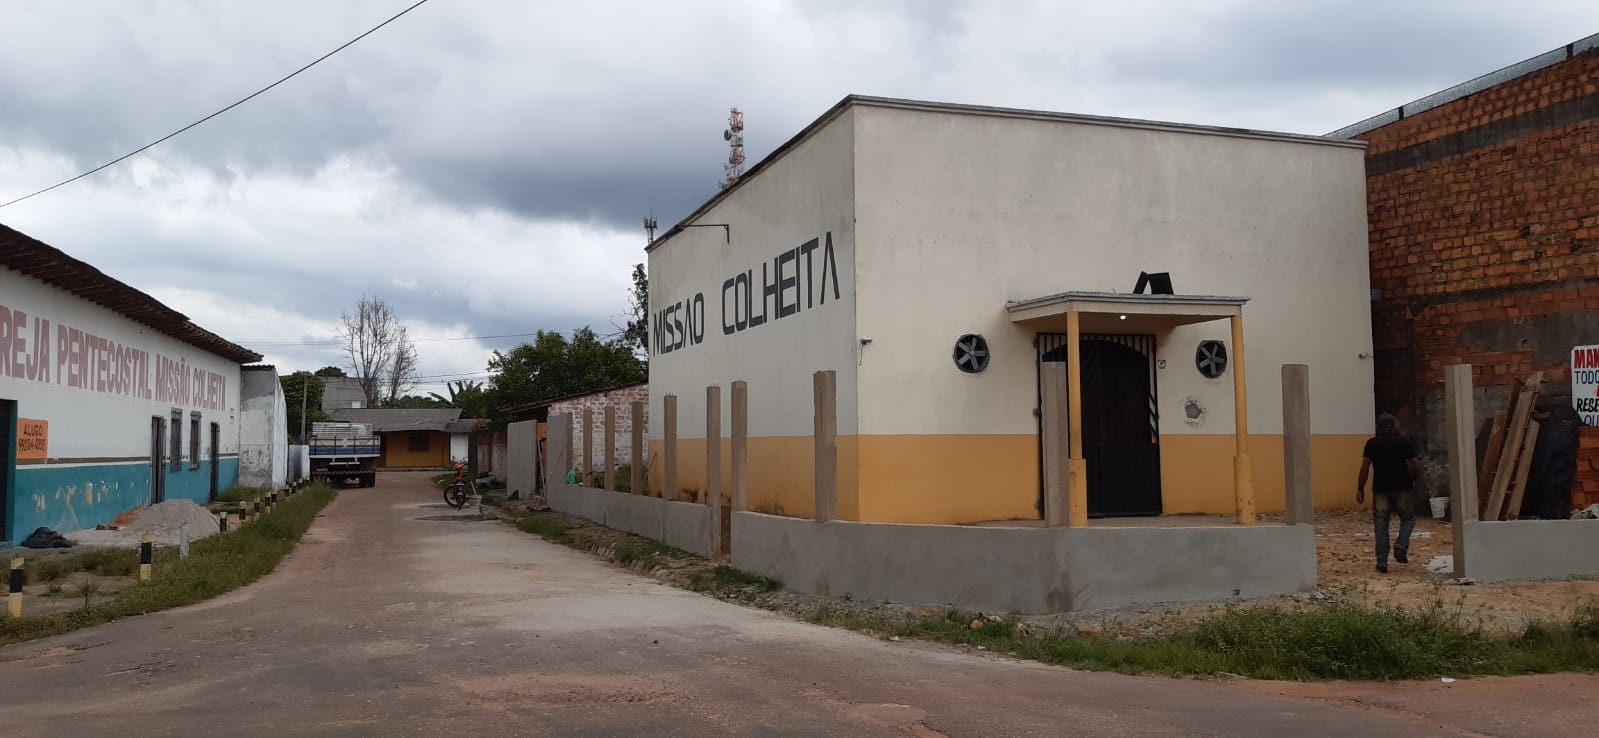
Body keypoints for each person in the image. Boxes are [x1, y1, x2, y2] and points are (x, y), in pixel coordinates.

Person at [1357, 413, 1421, 573]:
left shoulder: (1372, 444)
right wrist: (1412, 480)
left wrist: (1360, 488)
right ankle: (1401, 544)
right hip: (1402, 488)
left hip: (1380, 490)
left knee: (1381, 525)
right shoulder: (1404, 443)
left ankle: (1382, 561)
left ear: (1378, 428)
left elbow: (1365, 467)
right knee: (1407, 519)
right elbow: (1415, 465)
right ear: (1393, 426)